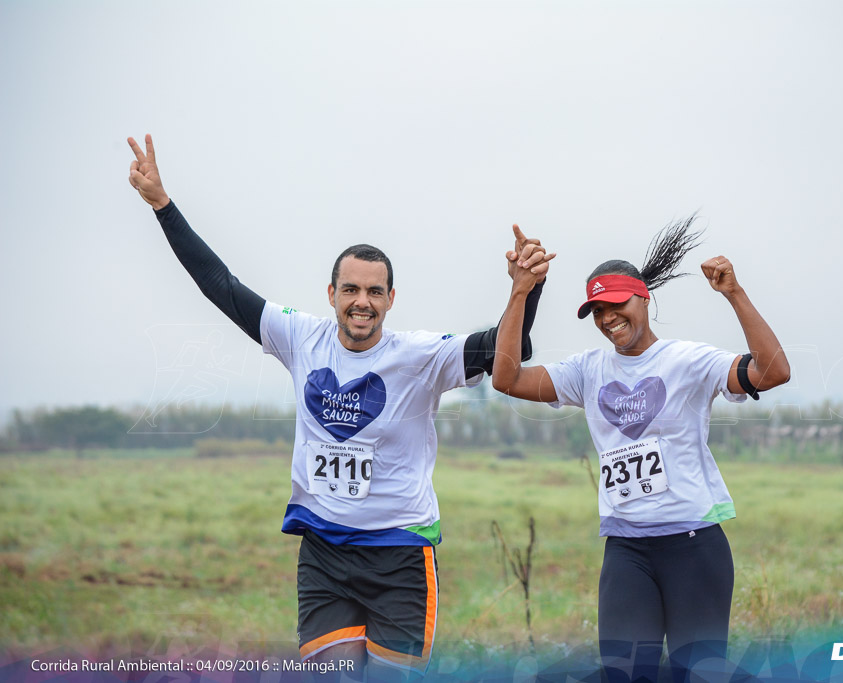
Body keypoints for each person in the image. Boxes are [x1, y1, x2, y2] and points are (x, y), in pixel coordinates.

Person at [126, 135, 550, 680]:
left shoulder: (420, 356)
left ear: (391, 299)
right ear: (331, 294)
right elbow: (220, 285)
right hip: (324, 552)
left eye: (375, 292)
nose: (362, 302)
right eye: (350, 289)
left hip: (399, 554)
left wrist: (525, 293)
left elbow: (508, 353)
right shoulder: (301, 337)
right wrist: (164, 205)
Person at [492, 217, 790, 683]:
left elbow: (773, 372)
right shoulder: (587, 371)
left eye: (616, 303)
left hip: (694, 547)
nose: (608, 318)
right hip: (627, 549)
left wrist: (735, 293)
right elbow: (506, 378)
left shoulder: (688, 361)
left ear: (643, 297)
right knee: (626, 674)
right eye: (597, 310)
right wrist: (520, 293)